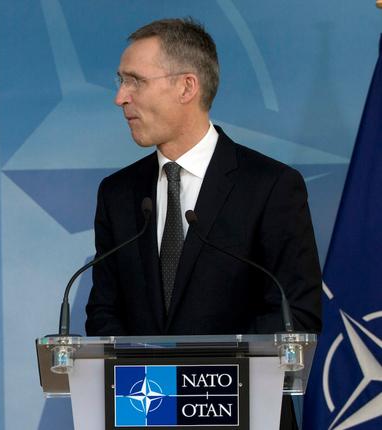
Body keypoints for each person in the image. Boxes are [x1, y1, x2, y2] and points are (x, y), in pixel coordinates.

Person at [85, 18, 321, 428]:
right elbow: (104, 314)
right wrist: (159, 398)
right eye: (121, 81)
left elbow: (294, 313)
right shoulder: (118, 193)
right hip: (144, 414)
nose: (120, 97)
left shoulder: (271, 186)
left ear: (187, 87)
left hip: (243, 415)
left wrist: (196, 386)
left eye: (134, 81)